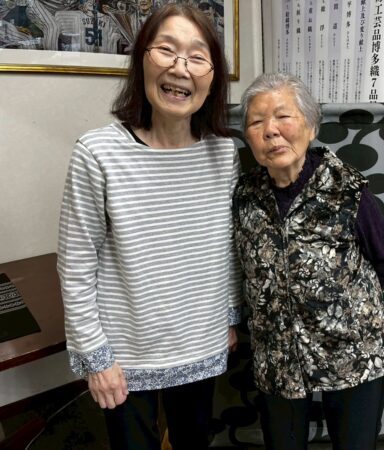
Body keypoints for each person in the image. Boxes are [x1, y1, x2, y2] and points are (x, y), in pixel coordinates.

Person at [57, 4, 241, 449]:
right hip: (124, 355)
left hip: (200, 343)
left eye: (197, 57)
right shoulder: (97, 153)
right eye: (166, 50)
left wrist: (229, 318)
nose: (181, 68)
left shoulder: (223, 153)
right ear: (141, 59)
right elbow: (76, 265)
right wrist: (95, 357)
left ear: (213, 76)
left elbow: (227, 249)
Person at [232, 73, 384, 450]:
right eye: (257, 122)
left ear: (310, 127)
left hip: (354, 349)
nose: (271, 130)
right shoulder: (244, 196)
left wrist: (343, 307)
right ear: (248, 137)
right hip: (278, 353)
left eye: (283, 116)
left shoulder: (346, 188)